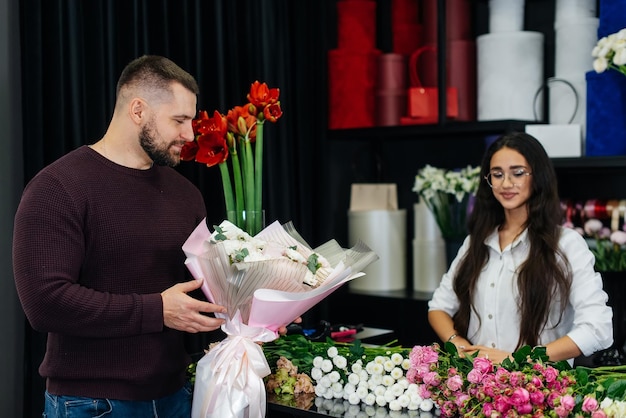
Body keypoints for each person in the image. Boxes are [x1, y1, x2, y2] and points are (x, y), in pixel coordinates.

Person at [13, 55, 295, 417]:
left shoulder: (185, 194)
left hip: (176, 396)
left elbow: (197, 295)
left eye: (191, 121)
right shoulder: (57, 188)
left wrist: (257, 311)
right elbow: (45, 303)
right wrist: (157, 310)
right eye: (178, 120)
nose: (190, 135)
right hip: (91, 404)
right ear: (138, 110)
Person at [428, 132, 613, 365]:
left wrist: (520, 360)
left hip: (540, 392)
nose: (506, 183)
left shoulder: (566, 244)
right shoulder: (475, 242)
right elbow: (438, 307)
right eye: (497, 174)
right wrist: (457, 343)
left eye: (517, 173)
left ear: (538, 177)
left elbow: (598, 328)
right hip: (477, 390)